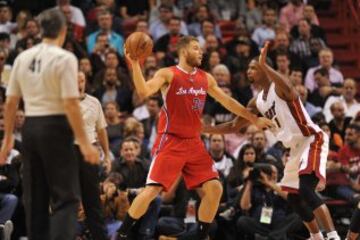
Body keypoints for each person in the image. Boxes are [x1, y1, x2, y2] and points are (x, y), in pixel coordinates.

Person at [117, 36, 273, 240]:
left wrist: (253, 119)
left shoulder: (205, 78)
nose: (201, 52)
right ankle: (120, 235)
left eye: (201, 49)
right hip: (171, 140)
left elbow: (228, 102)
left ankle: (201, 236)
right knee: (152, 191)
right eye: (196, 48)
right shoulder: (168, 74)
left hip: (194, 143)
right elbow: (144, 91)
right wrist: (135, 64)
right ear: (183, 52)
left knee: (215, 189)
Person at [204, 42, 340, 240]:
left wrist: (267, 66)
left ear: (264, 70)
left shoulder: (280, 88)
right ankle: (316, 237)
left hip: (311, 139)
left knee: (305, 190)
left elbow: (290, 87)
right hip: (295, 148)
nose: (249, 71)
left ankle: (334, 236)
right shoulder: (257, 102)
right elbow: (234, 126)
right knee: (293, 196)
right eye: (248, 68)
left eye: (254, 67)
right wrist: (204, 128)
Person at [0, 9, 99, 240]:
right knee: (67, 199)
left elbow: (11, 101)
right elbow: (71, 103)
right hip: (55, 127)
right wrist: (85, 143)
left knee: (36, 199)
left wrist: (7, 140)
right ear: (64, 31)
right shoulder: (65, 58)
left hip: (31, 129)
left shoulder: (23, 57)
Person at [76, 71, 110, 240]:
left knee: (92, 200)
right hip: (67, 152)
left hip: (89, 151)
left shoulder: (94, 102)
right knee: (66, 201)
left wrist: (108, 156)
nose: (79, 83)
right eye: (75, 80)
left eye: (81, 79)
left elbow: (101, 129)